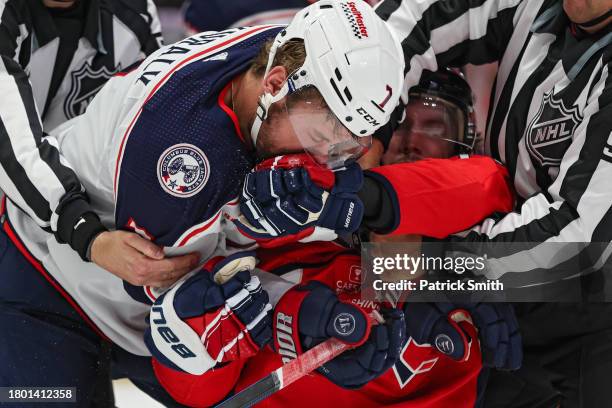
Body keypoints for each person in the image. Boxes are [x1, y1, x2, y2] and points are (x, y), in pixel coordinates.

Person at [0, 0, 405, 401]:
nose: (323, 161)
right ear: (276, 83)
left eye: (343, 146)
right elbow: (184, 301)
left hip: (128, 296)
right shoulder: (177, 159)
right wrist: (302, 311)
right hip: (46, 285)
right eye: (319, 139)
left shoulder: (278, 51)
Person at [245, 1, 612, 405]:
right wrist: (366, 139)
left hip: (580, 313)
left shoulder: (473, 187)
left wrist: (420, 261)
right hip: (480, 275)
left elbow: (578, 247)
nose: (412, 146)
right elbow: (403, 25)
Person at [0, 0, 199, 290]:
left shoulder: (136, 12)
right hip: (46, 221)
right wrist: (90, 236)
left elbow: (159, 121)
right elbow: (14, 145)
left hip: (75, 223)